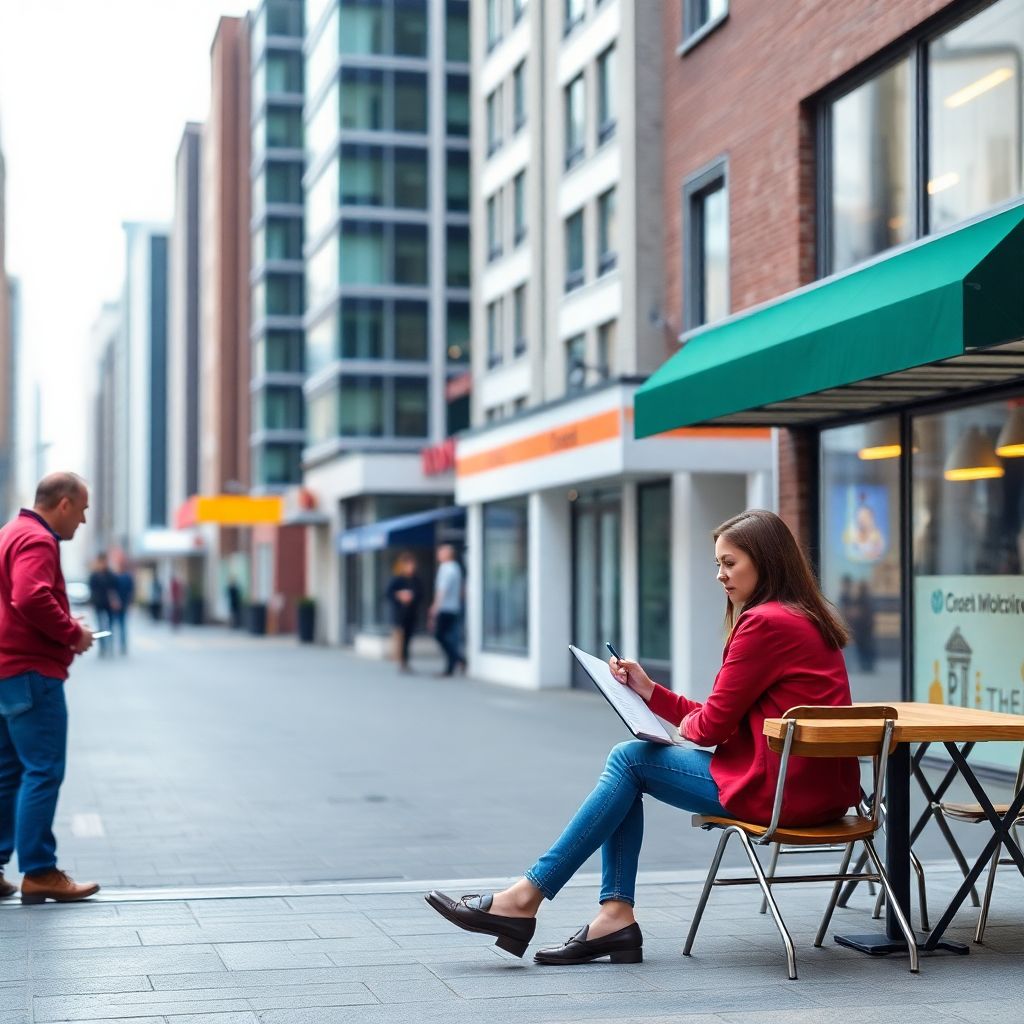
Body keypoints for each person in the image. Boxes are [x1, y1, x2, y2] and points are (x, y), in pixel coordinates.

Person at [425, 509, 860, 964]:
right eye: (717, 564)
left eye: (730, 563)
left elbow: (711, 726)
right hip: (822, 794)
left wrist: (680, 730)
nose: (720, 576)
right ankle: (609, 917)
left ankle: (527, 900)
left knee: (630, 760)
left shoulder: (764, 623)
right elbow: (720, 717)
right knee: (631, 766)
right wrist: (649, 693)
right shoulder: (806, 617)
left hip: (778, 794)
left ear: (766, 561)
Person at [0, 472, 101, 904]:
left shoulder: (8, 532)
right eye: (81, 511)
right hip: (31, 674)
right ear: (63, 504)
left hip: (6, 672)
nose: (81, 521)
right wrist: (72, 632)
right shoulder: (38, 540)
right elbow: (30, 596)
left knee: (8, 774)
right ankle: (40, 870)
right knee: (43, 770)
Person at [428, 544, 465, 676]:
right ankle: (457, 660)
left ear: (447, 554)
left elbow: (442, 590)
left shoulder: (446, 568)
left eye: (441, 552)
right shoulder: (456, 568)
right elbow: (462, 589)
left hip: (445, 608)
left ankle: (455, 661)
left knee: (440, 636)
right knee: (450, 636)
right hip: (454, 607)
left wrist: (435, 607)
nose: (438, 554)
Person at [386, 552, 421, 673]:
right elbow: (388, 594)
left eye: (412, 565)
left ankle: (405, 661)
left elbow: (421, 595)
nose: (411, 567)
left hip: (411, 614)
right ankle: (400, 661)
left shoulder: (416, 580)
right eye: (408, 565)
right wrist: (399, 595)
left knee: (408, 639)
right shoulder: (397, 579)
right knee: (399, 638)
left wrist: (412, 597)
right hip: (399, 614)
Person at [87, 554, 119, 658]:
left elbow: (115, 588)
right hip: (98, 604)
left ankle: (110, 646)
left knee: (110, 626)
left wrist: (114, 600)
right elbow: (91, 589)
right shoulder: (94, 575)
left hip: (109, 604)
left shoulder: (110, 574)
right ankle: (103, 648)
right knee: (100, 626)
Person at [112, 563, 134, 655]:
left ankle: (122, 646)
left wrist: (129, 604)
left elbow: (131, 591)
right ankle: (116, 646)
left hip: (123, 605)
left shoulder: (126, 577)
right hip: (116, 606)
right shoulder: (116, 577)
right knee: (117, 626)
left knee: (122, 626)